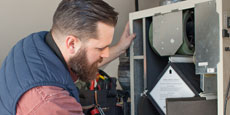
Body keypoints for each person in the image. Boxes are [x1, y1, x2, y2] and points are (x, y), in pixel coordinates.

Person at [0, 0, 135, 115]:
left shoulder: (34, 44)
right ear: (71, 43)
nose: (105, 53)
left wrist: (120, 48)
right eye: (100, 48)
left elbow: (83, 62)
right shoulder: (50, 102)